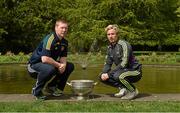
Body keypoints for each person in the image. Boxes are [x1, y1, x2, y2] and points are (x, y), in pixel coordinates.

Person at [27, 18, 74, 100]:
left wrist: (63, 66)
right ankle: (36, 91)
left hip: (48, 65)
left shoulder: (64, 42)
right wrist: (59, 65)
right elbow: (44, 59)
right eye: (62, 28)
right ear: (56, 28)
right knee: (50, 69)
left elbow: (63, 58)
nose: (64, 30)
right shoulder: (50, 39)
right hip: (33, 66)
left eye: (66, 28)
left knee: (69, 66)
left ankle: (52, 87)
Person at [99, 24, 142, 100]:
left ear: (117, 34)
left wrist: (109, 74)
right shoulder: (109, 48)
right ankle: (123, 89)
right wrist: (104, 73)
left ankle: (133, 91)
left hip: (135, 71)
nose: (110, 36)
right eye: (108, 34)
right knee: (101, 76)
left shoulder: (124, 44)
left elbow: (124, 63)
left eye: (113, 34)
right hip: (122, 71)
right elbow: (107, 64)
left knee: (118, 76)